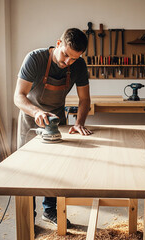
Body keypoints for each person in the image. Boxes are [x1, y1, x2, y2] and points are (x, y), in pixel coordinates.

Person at [14, 28, 92, 227]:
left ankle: (50, 211)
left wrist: (79, 122)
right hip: (31, 119)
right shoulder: (35, 59)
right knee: (28, 170)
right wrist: (37, 112)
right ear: (58, 44)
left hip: (57, 119)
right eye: (66, 55)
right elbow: (18, 96)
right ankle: (28, 217)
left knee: (57, 169)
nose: (68, 62)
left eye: (74, 59)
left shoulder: (79, 65)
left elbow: (85, 99)